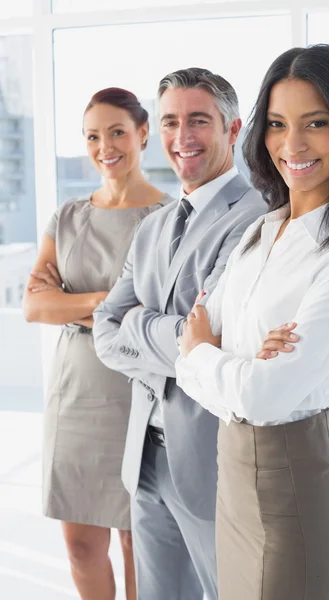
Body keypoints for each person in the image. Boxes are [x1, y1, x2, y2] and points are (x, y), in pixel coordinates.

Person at [175, 45, 329, 600]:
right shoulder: (259, 231)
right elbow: (188, 347)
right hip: (233, 482)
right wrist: (236, 366)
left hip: (295, 490)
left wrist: (212, 355)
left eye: (315, 123)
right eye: (277, 124)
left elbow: (266, 398)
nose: (291, 145)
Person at [92, 68, 267, 600]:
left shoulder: (255, 217)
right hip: (144, 454)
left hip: (210, 462)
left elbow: (218, 338)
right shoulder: (155, 225)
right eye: (170, 121)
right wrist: (172, 336)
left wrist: (138, 322)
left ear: (233, 131)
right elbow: (104, 331)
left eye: (199, 121)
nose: (182, 136)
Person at [23, 87, 171, 600]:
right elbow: (35, 306)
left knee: (138, 544)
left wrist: (76, 302)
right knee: (81, 547)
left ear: (143, 134)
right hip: (75, 397)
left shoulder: (169, 219)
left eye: (117, 132)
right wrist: (112, 303)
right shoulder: (67, 217)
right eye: (92, 136)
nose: (104, 146)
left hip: (138, 398)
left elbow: (155, 319)